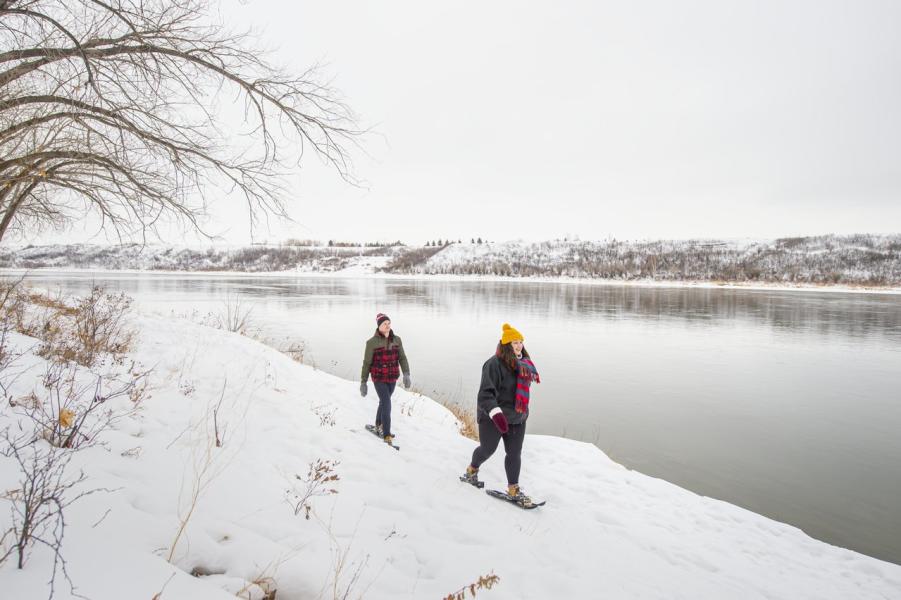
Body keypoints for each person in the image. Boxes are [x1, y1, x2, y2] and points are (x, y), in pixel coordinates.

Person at [461, 323, 540, 505]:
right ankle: (472, 470)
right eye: (514, 342)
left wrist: (523, 412)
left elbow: (521, 392)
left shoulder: (525, 365)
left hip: (517, 418)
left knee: (514, 453)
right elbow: (485, 394)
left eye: (521, 342)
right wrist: (496, 414)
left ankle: (513, 489)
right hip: (493, 417)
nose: (519, 345)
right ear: (506, 344)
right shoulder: (493, 364)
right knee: (487, 449)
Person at [360, 312, 411, 445]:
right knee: (387, 403)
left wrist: (406, 373)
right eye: (384, 324)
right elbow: (366, 363)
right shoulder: (371, 343)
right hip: (378, 378)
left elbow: (402, 358)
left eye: (389, 323)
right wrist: (363, 382)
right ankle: (387, 434)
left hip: (392, 377)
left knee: (383, 402)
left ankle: (378, 425)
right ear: (379, 326)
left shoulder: (397, 339)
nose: (388, 326)